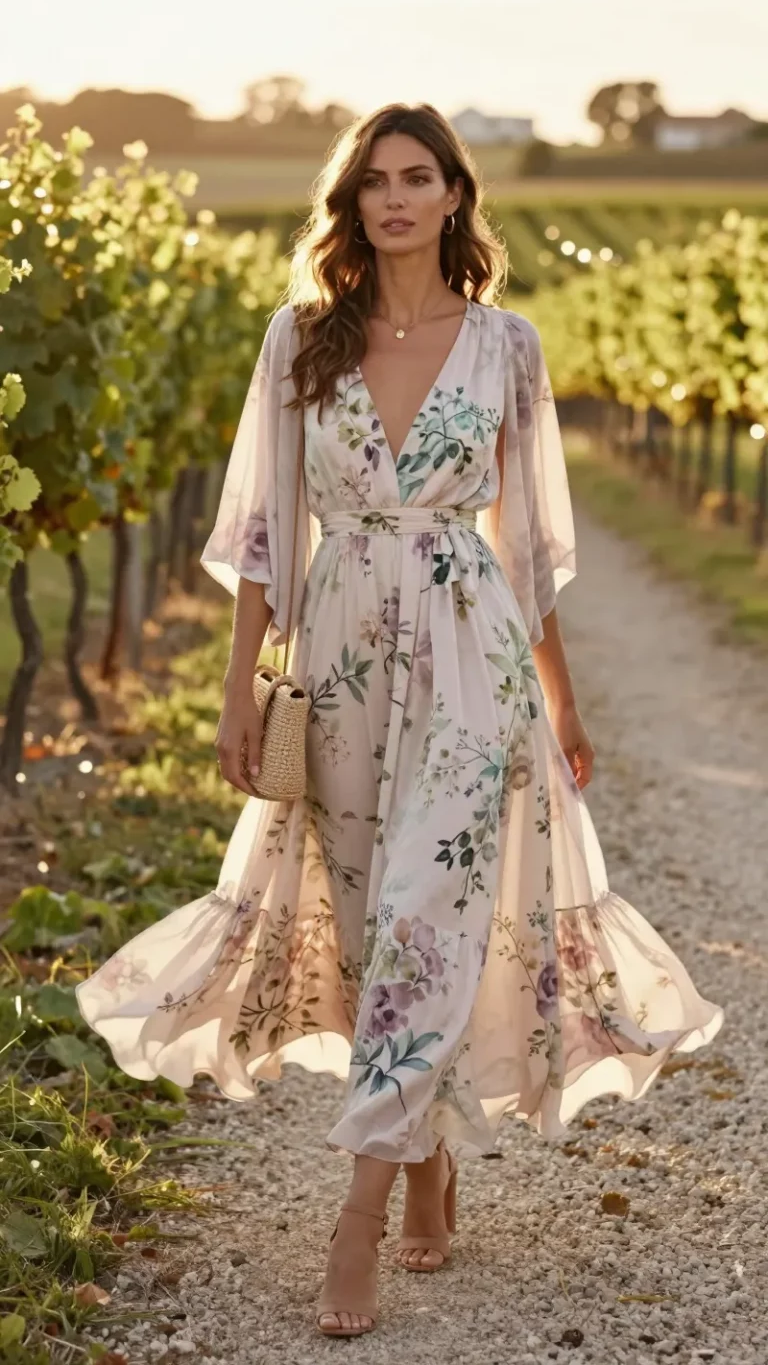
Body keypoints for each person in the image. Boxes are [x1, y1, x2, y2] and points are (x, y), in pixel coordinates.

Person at [76, 102, 723, 1339]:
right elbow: (265, 538)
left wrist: (564, 699)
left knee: (432, 905)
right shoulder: (299, 340)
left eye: (418, 178)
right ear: (352, 202)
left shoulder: (508, 347)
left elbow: (528, 550)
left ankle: (356, 1217)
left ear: (454, 197)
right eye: (374, 180)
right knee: (375, 920)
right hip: (340, 653)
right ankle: (426, 1156)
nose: (395, 199)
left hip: (475, 658)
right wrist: (236, 687)